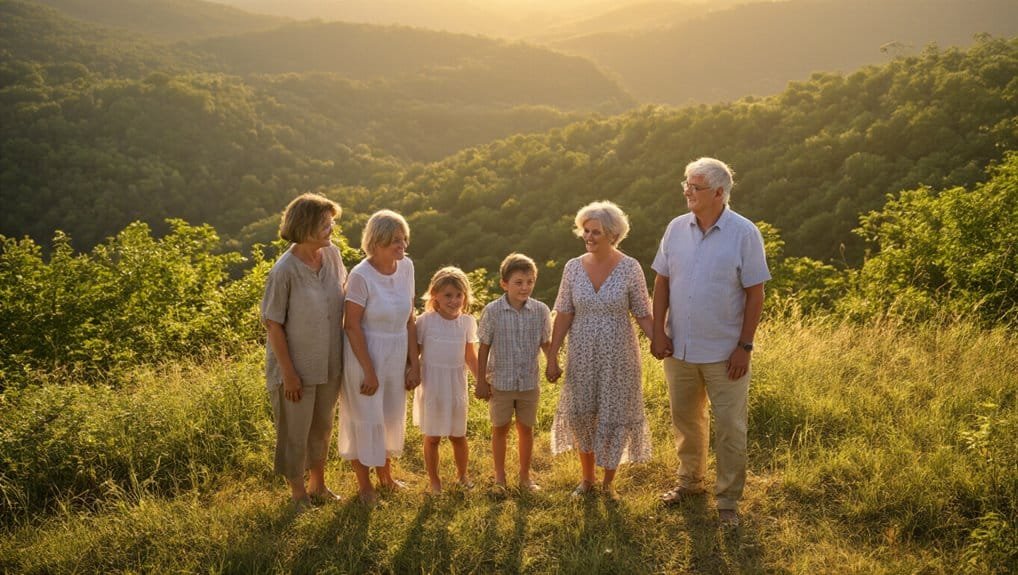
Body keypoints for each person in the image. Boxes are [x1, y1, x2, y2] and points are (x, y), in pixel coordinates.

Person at [651, 157, 770, 528]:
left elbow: (755, 294)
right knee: (686, 421)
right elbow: (662, 282)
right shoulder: (675, 228)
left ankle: (728, 501)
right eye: (685, 183)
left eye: (695, 186)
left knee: (731, 427)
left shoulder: (744, 233)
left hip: (725, 353)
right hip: (679, 349)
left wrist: (744, 346)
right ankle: (689, 483)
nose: (687, 191)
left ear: (719, 193)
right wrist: (658, 330)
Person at [545, 201, 654, 501]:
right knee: (583, 416)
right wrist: (553, 356)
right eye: (585, 230)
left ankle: (608, 483)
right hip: (580, 354)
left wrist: (660, 342)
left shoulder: (631, 268)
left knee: (613, 414)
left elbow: (643, 313)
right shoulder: (572, 267)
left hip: (619, 356)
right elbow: (564, 313)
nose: (588, 237)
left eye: (595, 232)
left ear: (613, 235)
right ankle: (587, 480)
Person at [260, 193, 347, 511]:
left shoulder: (333, 256)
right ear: (306, 226)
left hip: (330, 362)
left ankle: (319, 485)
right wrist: (289, 374)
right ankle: (298, 494)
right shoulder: (284, 271)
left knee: (322, 427)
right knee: (294, 430)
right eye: (325, 223)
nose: (331, 228)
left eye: (331, 222)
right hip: (295, 366)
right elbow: (273, 325)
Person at [336, 209, 420, 505]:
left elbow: (409, 317)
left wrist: (414, 363)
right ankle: (364, 487)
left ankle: (386, 477)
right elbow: (351, 325)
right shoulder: (360, 276)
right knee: (364, 417)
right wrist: (368, 371)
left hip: (396, 353)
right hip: (365, 355)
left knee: (387, 416)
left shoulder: (406, 267)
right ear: (376, 242)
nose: (402, 246)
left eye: (403, 239)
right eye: (395, 241)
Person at [476, 253, 552, 496]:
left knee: (526, 429)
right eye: (519, 282)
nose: (525, 287)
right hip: (501, 382)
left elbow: (546, 343)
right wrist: (480, 380)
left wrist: (553, 363)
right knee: (500, 428)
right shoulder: (493, 311)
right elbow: (484, 347)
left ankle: (525, 477)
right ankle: (500, 477)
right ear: (504, 284)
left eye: (530, 281)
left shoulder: (540, 310)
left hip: (529, 381)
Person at [413, 266, 479, 495]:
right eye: (448, 295)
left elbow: (470, 356)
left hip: (455, 384)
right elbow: (416, 353)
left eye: (459, 295)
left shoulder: (468, 322)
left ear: (465, 296)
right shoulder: (425, 322)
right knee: (432, 436)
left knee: (458, 435)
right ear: (435, 296)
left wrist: (481, 380)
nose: (454, 300)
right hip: (432, 384)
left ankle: (463, 475)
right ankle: (434, 481)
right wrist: (409, 373)